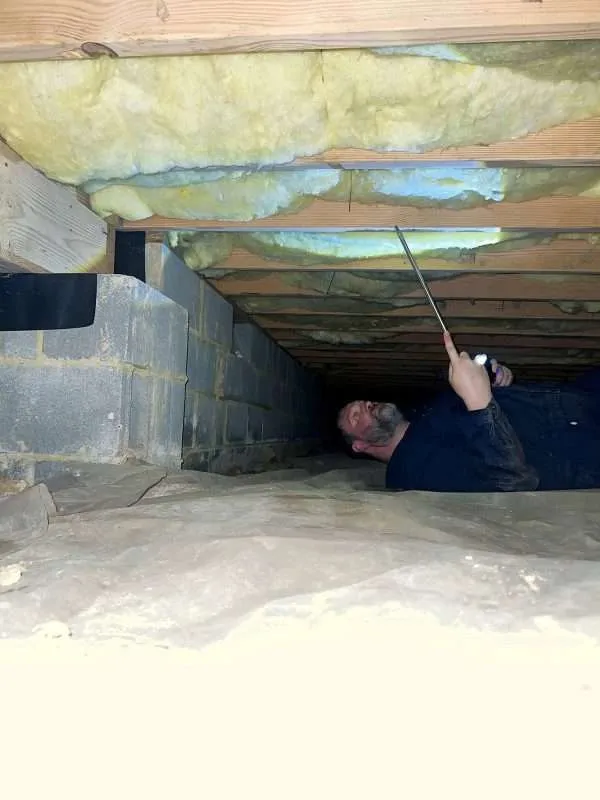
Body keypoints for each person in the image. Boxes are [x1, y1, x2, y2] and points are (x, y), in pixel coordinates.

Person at [337, 331, 600, 492]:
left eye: (365, 402)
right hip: (581, 443)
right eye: (356, 415)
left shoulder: (424, 418)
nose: (366, 405)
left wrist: (496, 381)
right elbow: (510, 480)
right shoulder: (411, 473)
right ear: (359, 445)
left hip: (578, 397)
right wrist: (480, 403)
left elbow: (488, 421)